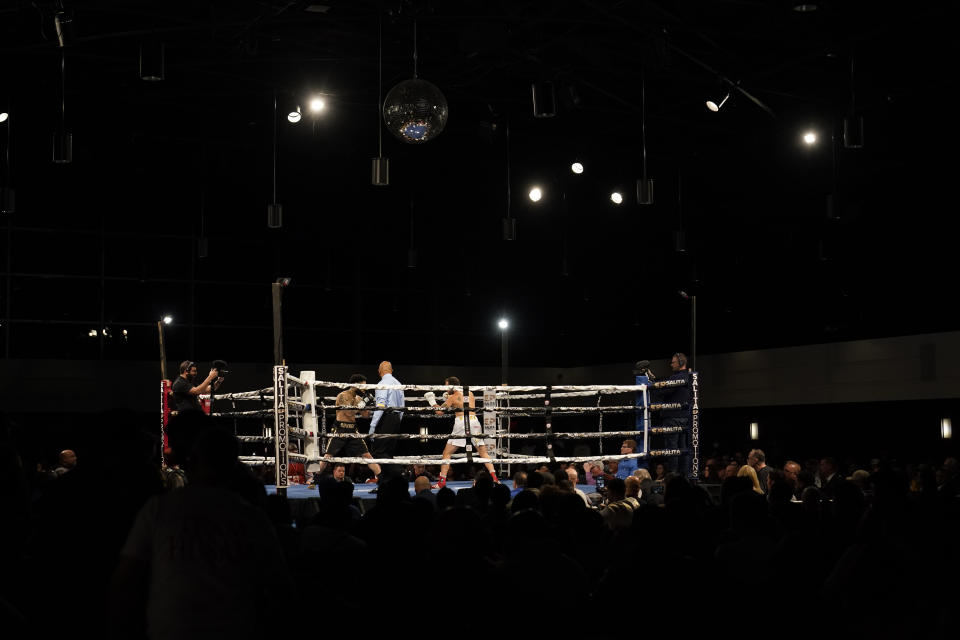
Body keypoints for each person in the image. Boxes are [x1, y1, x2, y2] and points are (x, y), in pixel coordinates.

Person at [427, 376, 498, 489]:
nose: (445, 389)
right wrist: (448, 396)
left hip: (461, 423)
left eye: (446, 386)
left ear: (451, 386)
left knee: (447, 453)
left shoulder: (453, 397)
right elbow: (462, 402)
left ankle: (441, 482)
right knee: (483, 452)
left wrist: (431, 401)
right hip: (474, 422)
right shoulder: (470, 393)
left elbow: (439, 412)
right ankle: (495, 479)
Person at [315, 374, 381, 481]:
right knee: (328, 457)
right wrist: (362, 403)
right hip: (340, 429)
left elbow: (365, 416)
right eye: (362, 386)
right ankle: (314, 479)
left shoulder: (359, 398)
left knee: (367, 456)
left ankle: (382, 479)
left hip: (353, 429)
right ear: (355, 385)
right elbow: (348, 413)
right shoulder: (343, 396)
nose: (364, 388)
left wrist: (368, 405)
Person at [655, 353, 693, 477]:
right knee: (682, 447)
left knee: (672, 447)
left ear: (681, 363)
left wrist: (655, 384)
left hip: (672, 416)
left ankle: (673, 475)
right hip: (685, 417)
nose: (671, 364)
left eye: (673, 362)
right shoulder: (689, 377)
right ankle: (684, 475)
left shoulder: (677, 377)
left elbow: (663, 390)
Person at [369, 361, 405, 481]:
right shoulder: (398, 383)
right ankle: (387, 483)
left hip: (386, 417)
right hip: (395, 418)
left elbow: (381, 405)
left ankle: (401, 472)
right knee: (388, 452)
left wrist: (373, 426)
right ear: (391, 370)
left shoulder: (382, 383)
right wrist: (397, 421)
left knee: (378, 452)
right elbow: (402, 406)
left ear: (379, 372)